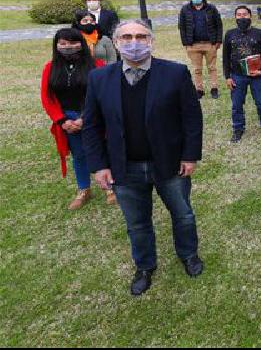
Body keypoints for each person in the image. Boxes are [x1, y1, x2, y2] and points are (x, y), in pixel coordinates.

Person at [82, 19, 205, 296]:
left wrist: (190, 155)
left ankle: (188, 254)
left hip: (170, 164)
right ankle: (145, 266)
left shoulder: (175, 73)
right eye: (126, 37)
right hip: (124, 167)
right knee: (137, 223)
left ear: (151, 41)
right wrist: (99, 165)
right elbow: (91, 125)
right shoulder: (99, 78)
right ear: (115, 43)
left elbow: (191, 118)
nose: (133, 42)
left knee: (183, 214)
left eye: (140, 36)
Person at [40, 28, 113, 209]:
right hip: (67, 120)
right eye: (63, 43)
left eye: (72, 43)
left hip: (93, 117)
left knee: (101, 150)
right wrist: (62, 120)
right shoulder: (50, 68)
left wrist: (85, 118)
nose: (67, 47)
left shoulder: (97, 65)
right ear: (56, 45)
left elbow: (103, 95)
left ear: (81, 43)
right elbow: (47, 97)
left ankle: (109, 186)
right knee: (79, 155)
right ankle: (83, 189)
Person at [222, 5, 261, 143]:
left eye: (244, 14)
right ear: (235, 17)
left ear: (250, 16)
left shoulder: (260, 34)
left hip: (256, 76)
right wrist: (227, 77)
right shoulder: (229, 34)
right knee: (237, 104)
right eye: (238, 15)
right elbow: (225, 57)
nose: (242, 17)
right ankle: (238, 128)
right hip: (237, 76)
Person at [178, 0, 223, 99]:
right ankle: (199, 89)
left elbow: (219, 25)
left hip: (210, 44)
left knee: (212, 67)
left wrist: (218, 41)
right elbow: (182, 27)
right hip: (193, 45)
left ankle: (214, 88)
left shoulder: (211, 8)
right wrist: (186, 44)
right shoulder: (185, 9)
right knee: (197, 69)